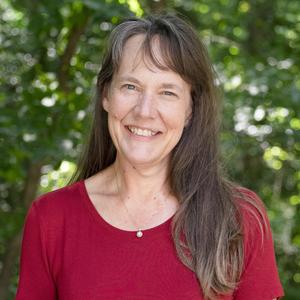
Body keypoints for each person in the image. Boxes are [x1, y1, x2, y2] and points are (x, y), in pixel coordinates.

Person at [16, 14, 284, 300]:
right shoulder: (52, 219)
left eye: (167, 92)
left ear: (190, 110)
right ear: (106, 94)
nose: (145, 111)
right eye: (131, 86)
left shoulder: (239, 218)